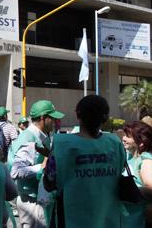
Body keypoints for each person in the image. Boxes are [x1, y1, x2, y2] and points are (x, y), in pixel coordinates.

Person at [43, 95, 124, 228]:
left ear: (78, 115)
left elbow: (49, 184)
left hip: (70, 218)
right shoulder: (115, 142)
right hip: (108, 218)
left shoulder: (62, 145)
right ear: (105, 117)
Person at [10, 100, 64, 228]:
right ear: (43, 118)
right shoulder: (28, 138)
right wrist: (41, 167)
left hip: (41, 199)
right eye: (52, 118)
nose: (56, 122)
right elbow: (16, 171)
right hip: (32, 203)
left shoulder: (44, 135)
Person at [121, 121, 152, 227]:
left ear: (141, 142)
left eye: (128, 136)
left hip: (139, 220)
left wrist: (127, 191)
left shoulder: (145, 161)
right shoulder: (129, 157)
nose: (124, 138)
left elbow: (151, 188)